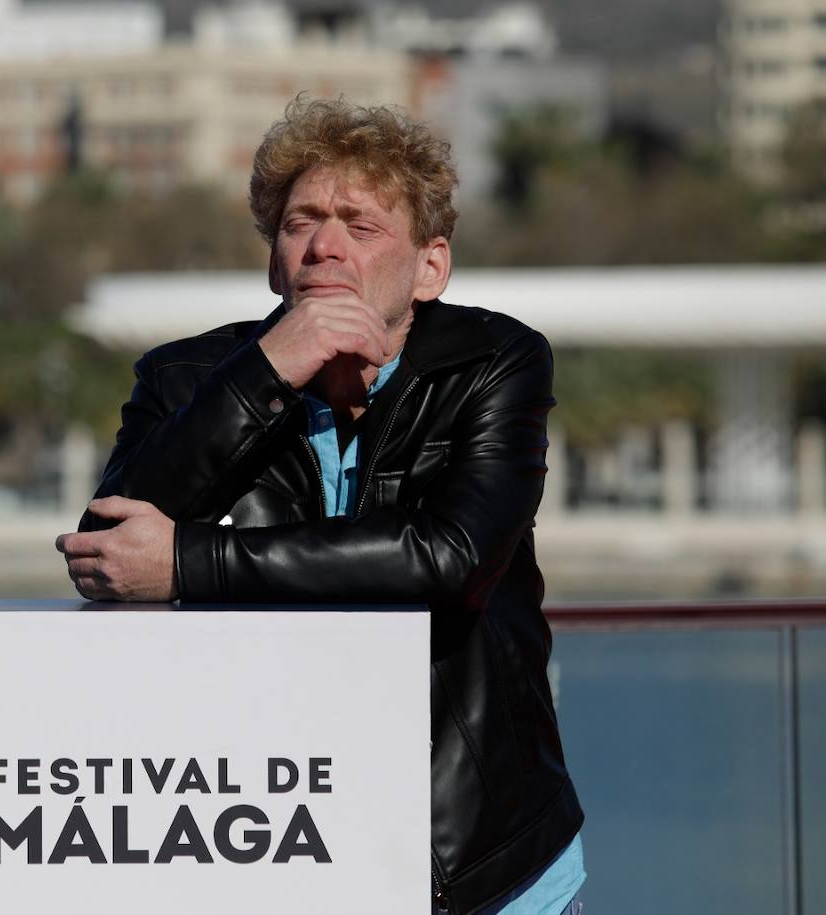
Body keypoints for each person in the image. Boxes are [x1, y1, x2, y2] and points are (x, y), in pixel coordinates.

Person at [54, 97, 584, 915]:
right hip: (275, 838)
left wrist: (191, 562)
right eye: (299, 222)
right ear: (273, 258)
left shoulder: (495, 360)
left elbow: (450, 558)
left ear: (430, 268)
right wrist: (271, 369)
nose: (324, 245)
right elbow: (104, 550)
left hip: (485, 853)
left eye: (361, 226)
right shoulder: (185, 379)